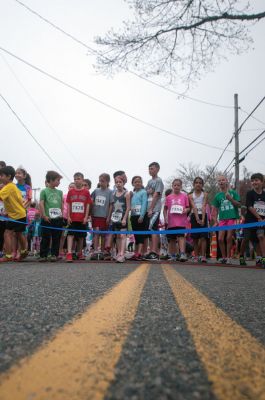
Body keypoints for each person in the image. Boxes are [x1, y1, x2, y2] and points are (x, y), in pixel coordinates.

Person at [0, 166, 28, 262]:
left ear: (8, 176)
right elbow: (16, 201)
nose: (0, 177)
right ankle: (24, 251)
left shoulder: (8, 187)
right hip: (21, 214)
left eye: (1, 175)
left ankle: (8, 255)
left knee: (7, 233)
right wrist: (7, 211)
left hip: (15, 216)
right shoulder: (14, 186)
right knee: (19, 234)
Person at [211, 175, 240, 264]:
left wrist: (231, 199)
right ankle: (223, 257)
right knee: (220, 239)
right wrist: (215, 220)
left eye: (223, 180)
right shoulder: (218, 196)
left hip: (232, 217)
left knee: (228, 238)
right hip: (222, 219)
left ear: (227, 181)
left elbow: (238, 205)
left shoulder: (233, 192)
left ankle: (228, 257)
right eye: (219, 181)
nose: (221, 182)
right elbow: (214, 209)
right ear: (218, 183)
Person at [66, 172, 92, 262]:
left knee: (81, 236)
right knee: (70, 235)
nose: (77, 181)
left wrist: (86, 217)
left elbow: (88, 205)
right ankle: (69, 253)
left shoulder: (86, 192)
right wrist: (68, 216)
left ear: (82, 180)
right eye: (75, 179)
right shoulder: (70, 192)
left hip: (82, 218)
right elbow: (68, 204)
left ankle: (79, 252)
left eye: (78, 179)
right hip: (72, 218)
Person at [39, 171, 63, 262]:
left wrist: (61, 215)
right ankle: (43, 255)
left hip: (57, 219)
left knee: (56, 237)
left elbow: (61, 204)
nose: (59, 182)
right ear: (51, 180)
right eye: (58, 180)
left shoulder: (60, 192)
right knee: (45, 237)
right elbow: (41, 203)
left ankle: (54, 254)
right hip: (47, 218)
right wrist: (44, 215)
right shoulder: (44, 191)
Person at [163, 179, 190, 262]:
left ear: (181, 186)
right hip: (171, 222)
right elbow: (165, 209)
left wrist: (185, 210)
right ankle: (173, 255)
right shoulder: (168, 197)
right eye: (175, 185)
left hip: (181, 221)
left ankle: (182, 254)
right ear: (172, 186)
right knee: (172, 239)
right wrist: (165, 218)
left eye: (178, 185)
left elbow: (188, 207)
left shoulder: (185, 196)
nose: (176, 187)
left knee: (181, 237)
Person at [244, 173, 265, 267]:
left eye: (256, 180)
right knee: (254, 240)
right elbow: (250, 207)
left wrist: (262, 219)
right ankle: (259, 258)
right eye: (252, 181)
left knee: (261, 236)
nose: (254, 182)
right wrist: (258, 217)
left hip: (262, 220)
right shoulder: (250, 193)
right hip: (251, 220)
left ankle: (264, 258)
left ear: (262, 182)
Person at [144, 162, 164, 260]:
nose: (150, 170)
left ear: (157, 169)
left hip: (155, 209)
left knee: (153, 229)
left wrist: (151, 208)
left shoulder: (159, 181)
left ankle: (154, 252)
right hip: (148, 208)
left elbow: (156, 195)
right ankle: (151, 251)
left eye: (152, 168)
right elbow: (146, 192)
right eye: (149, 169)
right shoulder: (149, 181)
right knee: (150, 230)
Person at [91, 173, 113, 259]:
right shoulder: (96, 191)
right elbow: (91, 202)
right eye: (100, 181)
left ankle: (103, 251)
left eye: (103, 181)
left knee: (103, 234)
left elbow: (111, 204)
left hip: (104, 216)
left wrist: (108, 217)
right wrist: (91, 213)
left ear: (107, 182)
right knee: (96, 233)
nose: (101, 183)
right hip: (96, 215)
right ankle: (96, 250)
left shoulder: (110, 192)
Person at [110, 175, 130, 263]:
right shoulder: (113, 194)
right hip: (115, 218)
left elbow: (128, 207)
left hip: (123, 217)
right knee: (117, 236)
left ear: (123, 183)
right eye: (116, 182)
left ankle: (122, 254)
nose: (118, 184)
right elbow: (112, 206)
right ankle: (119, 252)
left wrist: (125, 218)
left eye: (120, 182)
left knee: (122, 235)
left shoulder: (127, 193)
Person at [188, 177, 209, 263]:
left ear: (202, 185)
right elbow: (193, 206)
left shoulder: (205, 194)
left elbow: (204, 206)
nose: (198, 184)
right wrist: (197, 218)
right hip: (194, 216)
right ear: (193, 184)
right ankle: (196, 256)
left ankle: (203, 256)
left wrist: (203, 219)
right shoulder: (190, 195)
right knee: (195, 238)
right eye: (196, 183)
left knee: (203, 237)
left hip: (203, 214)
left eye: (200, 183)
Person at [130, 176, 148, 261]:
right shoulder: (132, 194)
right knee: (136, 235)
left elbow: (144, 204)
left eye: (139, 182)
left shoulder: (143, 192)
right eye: (135, 182)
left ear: (141, 183)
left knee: (140, 235)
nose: (137, 183)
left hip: (140, 216)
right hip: (133, 216)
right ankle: (135, 252)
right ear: (133, 183)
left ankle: (139, 253)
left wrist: (142, 216)